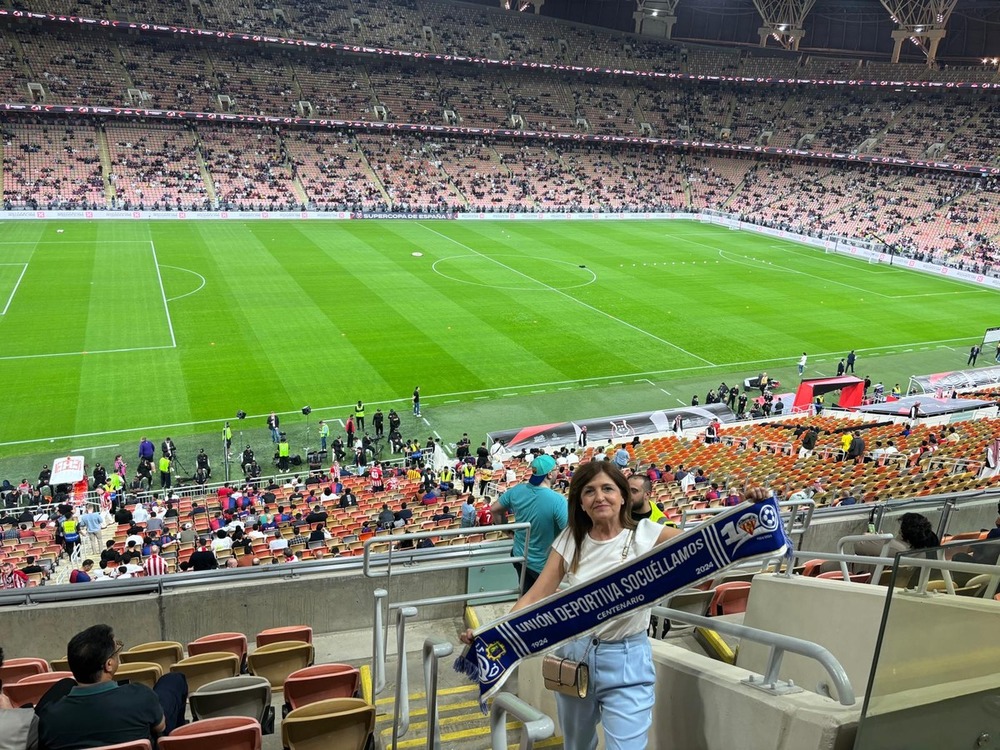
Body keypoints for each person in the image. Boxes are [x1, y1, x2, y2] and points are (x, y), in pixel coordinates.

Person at [464, 463, 685, 750]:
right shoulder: (571, 539)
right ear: (580, 502)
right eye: (589, 491)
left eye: (608, 488)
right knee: (576, 746)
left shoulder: (647, 533)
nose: (600, 497)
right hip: (574, 656)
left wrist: (754, 511)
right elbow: (534, 596)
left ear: (622, 496)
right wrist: (489, 632)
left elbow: (704, 545)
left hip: (627, 659)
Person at [36, 624, 188, 748]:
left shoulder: (49, 718)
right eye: (117, 649)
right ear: (109, 664)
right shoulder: (140, 696)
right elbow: (161, 727)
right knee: (174, 680)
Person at [491, 455, 569, 594]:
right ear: (550, 474)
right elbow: (570, 534)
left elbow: (495, 510)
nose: (558, 471)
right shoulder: (558, 501)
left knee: (526, 596)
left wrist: (508, 533)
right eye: (556, 469)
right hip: (543, 567)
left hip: (519, 556)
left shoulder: (516, 490)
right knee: (543, 605)